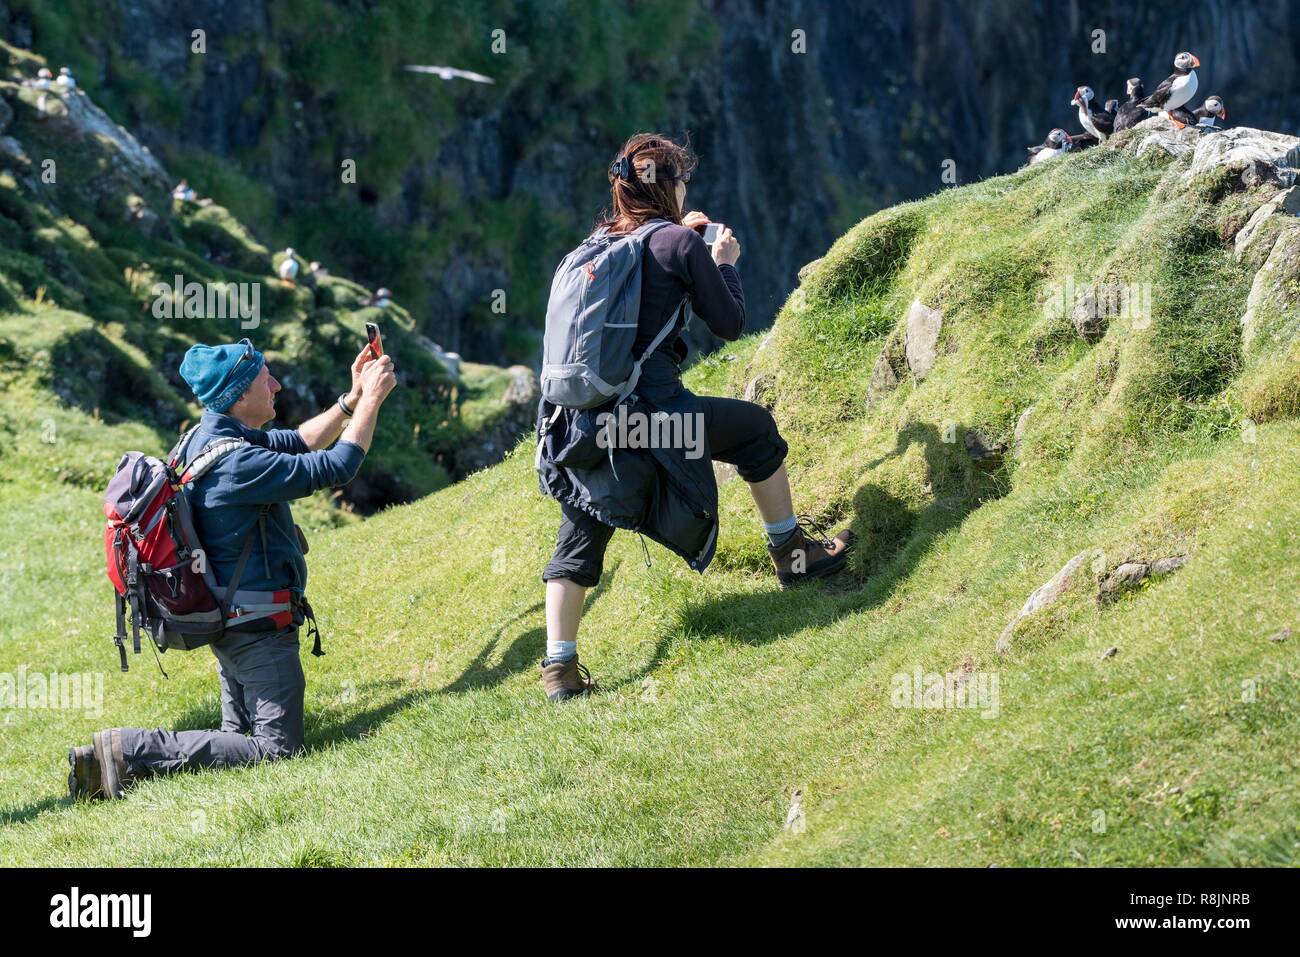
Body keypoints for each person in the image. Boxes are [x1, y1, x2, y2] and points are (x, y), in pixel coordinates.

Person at [534, 133, 854, 703]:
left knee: (584, 521)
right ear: (672, 187)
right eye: (682, 182)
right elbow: (729, 324)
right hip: (653, 421)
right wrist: (722, 262)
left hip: (582, 423)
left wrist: (684, 232)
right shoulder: (681, 245)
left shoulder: (598, 244)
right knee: (754, 431)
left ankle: (559, 668)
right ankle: (793, 555)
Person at [68, 339, 397, 799]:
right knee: (276, 750)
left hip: (229, 618)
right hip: (256, 630)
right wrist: (376, 400)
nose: (278, 386)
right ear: (241, 396)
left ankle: (107, 767)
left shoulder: (205, 439)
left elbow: (301, 441)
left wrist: (353, 398)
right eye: (267, 380)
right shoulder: (238, 464)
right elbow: (337, 465)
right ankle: (127, 749)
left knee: (236, 745)